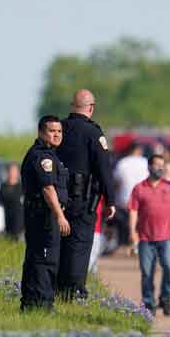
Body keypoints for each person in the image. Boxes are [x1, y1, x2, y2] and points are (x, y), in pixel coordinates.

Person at [56, 89, 115, 298]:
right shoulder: (94, 133)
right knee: (79, 246)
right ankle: (73, 290)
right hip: (83, 201)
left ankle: (56, 288)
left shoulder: (58, 129)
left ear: (73, 106)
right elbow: (104, 169)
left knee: (58, 243)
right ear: (91, 108)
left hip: (57, 200)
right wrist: (111, 201)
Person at [19, 116, 70, 311]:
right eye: (52, 131)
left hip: (43, 216)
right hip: (43, 217)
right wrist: (59, 215)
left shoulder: (51, 154)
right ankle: (41, 305)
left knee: (39, 259)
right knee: (44, 260)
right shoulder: (43, 157)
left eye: (59, 131)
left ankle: (33, 305)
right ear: (41, 132)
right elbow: (48, 189)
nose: (56, 134)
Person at [129, 154, 170, 316]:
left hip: (167, 236)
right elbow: (133, 211)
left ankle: (166, 298)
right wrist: (132, 233)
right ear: (149, 167)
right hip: (145, 237)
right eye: (156, 164)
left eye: (162, 165)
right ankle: (149, 302)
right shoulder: (139, 188)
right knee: (147, 272)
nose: (159, 168)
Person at [113, 143, 147, 246]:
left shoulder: (122, 162)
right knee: (141, 227)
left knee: (124, 228)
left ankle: (124, 245)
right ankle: (138, 245)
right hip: (142, 201)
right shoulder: (145, 162)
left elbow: (116, 182)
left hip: (124, 200)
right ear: (138, 150)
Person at [0, 163, 24, 240]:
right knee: (8, 237)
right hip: (7, 216)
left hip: (19, 219)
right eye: (11, 171)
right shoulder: (4, 186)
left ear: (17, 173)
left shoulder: (21, 187)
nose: (12, 173)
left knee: (17, 236)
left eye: (14, 171)